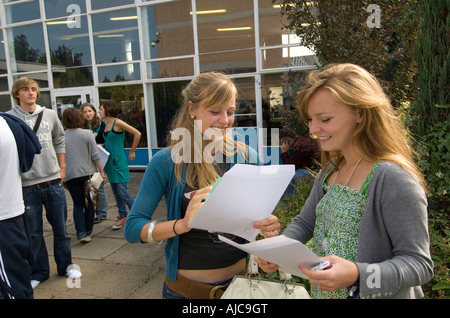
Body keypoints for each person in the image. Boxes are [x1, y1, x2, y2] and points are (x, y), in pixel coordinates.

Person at [255, 63, 434, 299]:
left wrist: (358, 274)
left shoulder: (392, 178)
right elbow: (305, 224)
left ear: (360, 113)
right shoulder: (331, 170)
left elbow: (419, 265)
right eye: (310, 119)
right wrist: (277, 252)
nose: (313, 129)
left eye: (325, 119)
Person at [124, 71, 281, 299]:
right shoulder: (166, 162)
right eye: (215, 111)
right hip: (186, 293)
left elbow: (254, 224)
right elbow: (132, 229)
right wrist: (181, 225)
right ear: (192, 109)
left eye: (230, 111)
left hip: (241, 289)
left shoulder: (249, 156)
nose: (225, 121)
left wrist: (268, 233)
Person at [7, 77, 82, 289]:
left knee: (61, 228)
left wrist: (63, 167)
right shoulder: (10, 119)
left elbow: (59, 138)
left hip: (53, 182)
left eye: (33, 89)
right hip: (27, 186)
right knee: (33, 233)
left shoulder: (49, 114)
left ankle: (66, 266)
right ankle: (39, 272)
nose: (31, 93)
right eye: (25, 90)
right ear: (17, 94)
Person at [0, 113, 40, 299]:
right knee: (19, 280)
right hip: (13, 214)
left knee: (11, 290)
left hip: (4, 219)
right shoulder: (7, 122)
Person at [62, 108, 106, 243]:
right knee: (89, 204)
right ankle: (88, 231)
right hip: (88, 174)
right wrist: (101, 172)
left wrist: (62, 176)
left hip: (70, 175)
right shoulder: (87, 134)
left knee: (77, 204)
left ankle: (80, 232)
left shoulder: (61, 136)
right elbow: (95, 155)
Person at [99, 100, 141, 230]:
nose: (99, 111)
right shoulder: (105, 124)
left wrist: (132, 151)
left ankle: (138, 214)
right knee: (116, 194)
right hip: (109, 164)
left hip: (118, 163)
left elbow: (137, 133)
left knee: (122, 192)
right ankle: (123, 217)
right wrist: (102, 146)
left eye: (100, 108)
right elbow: (111, 141)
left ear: (107, 109)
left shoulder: (117, 122)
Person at [80, 102, 108, 224]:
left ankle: (102, 213)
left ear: (94, 112)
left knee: (99, 187)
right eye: (85, 111)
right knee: (88, 188)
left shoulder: (101, 125)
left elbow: (105, 141)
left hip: (99, 159)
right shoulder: (80, 126)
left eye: (90, 111)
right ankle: (91, 212)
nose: (88, 114)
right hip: (85, 161)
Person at [280, 125, 320, 194]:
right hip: (314, 169)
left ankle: (288, 200)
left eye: (283, 142)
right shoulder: (300, 141)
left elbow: (291, 167)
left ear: (288, 140)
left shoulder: (298, 147)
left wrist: (284, 153)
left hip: (313, 171)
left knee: (291, 178)